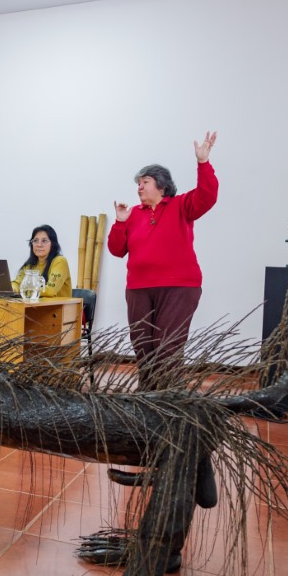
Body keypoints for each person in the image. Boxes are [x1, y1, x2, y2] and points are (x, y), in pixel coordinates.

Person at [108, 131, 219, 388]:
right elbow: (116, 250)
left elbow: (207, 196)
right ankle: (148, 401)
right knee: (143, 349)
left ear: (161, 185)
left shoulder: (181, 205)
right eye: (138, 183)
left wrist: (203, 163)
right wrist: (120, 223)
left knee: (166, 348)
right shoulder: (132, 214)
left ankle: (168, 402)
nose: (139, 187)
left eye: (144, 181)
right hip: (138, 289)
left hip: (180, 286)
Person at [11, 225, 72, 299]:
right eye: (36, 241)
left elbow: (50, 291)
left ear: (52, 244)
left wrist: (25, 289)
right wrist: (12, 288)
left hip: (60, 308)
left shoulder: (60, 261)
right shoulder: (30, 264)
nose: (39, 245)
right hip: (36, 307)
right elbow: (17, 283)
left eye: (44, 241)